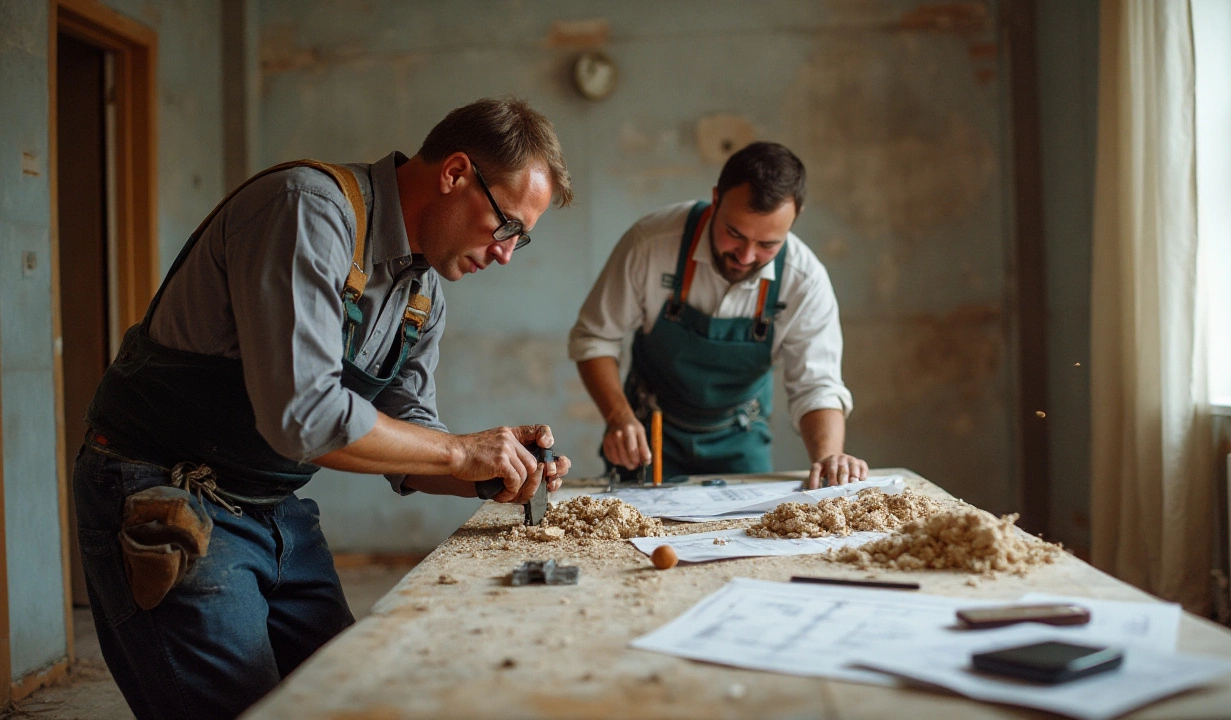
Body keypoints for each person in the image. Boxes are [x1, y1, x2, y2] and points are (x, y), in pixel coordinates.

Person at [73, 97, 573, 720]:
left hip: (270, 501)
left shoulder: (422, 295)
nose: (504, 253)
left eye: (519, 242)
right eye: (507, 227)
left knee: (344, 696)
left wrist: (490, 472)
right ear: (455, 174)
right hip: (166, 491)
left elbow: (408, 448)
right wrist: (462, 449)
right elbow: (303, 417)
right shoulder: (308, 209)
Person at [569, 141, 866, 489]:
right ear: (715, 200)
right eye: (734, 234)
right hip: (651, 433)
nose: (746, 256)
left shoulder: (805, 280)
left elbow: (817, 386)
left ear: (793, 222)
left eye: (768, 244)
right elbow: (595, 338)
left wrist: (828, 457)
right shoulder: (650, 244)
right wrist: (619, 416)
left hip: (741, 434)